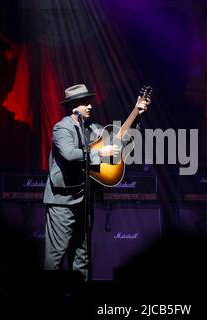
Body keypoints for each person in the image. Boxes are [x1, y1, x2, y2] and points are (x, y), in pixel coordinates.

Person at [43, 84, 148, 282]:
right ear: (73, 106)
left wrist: (136, 114)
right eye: (84, 103)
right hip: (62, 201)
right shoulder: (62, 127)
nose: (90, 106)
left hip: (85, 199)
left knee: (82, 256)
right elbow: (69, 154)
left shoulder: (93, 128)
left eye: (89, 101)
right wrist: (100, 152)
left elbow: (118, 142)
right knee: (55, 255)